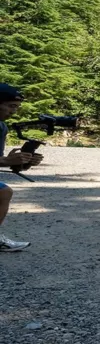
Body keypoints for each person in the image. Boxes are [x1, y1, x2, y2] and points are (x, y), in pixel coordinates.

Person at [0, 83, 42, 252]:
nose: (14, 111)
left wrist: (23, 162)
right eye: (11, 106)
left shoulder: (1, 127)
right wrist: (6, 161)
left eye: (17, 107)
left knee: (3, 192)